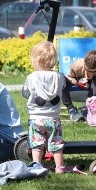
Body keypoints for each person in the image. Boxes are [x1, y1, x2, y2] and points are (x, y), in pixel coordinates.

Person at [21, 41, 69, 173]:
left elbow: (25, 93)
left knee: (37, 144)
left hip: (36, 118)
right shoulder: (59, 76)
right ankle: (60, 167)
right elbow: (64, 87)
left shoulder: (31, 77)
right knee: (56, 143)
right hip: (53, 117)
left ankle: (37, 166)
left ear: (36, 60)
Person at [62, 49, 96, 122]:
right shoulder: (77, 65)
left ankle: (88, 109)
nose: (91, 74)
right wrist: (77, 82)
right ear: (84, 65)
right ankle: (71, 110)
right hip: (76, 88)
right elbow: (69, 77)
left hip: (93, 90)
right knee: (61, 78)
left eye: (95, 71)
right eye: (88, 71)